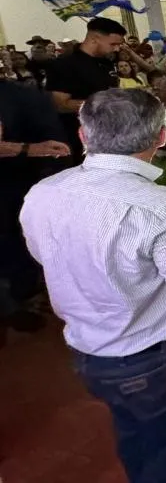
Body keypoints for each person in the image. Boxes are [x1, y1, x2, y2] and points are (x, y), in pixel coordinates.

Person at [20, 88, 166, 483]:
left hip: (87, 350)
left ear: (83, 136)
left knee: (137, 433)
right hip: (148, 356)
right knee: (163, 447)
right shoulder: (159, 208)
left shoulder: (42, 194)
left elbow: (43, 256)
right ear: (161, 137)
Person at [0, 81, 70, 336]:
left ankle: (18, 300)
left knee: (17, 245)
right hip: (16, 185)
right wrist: (30, 149)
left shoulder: (19, 94)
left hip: (17, 187)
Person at [45, 17, 126, 162]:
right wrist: (103, 105)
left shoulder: (106, 63)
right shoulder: (65, 64)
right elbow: (60, 104)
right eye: (113, 44)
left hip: (108, 133)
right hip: (78, 137)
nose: (117, 49)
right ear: (95, 38)